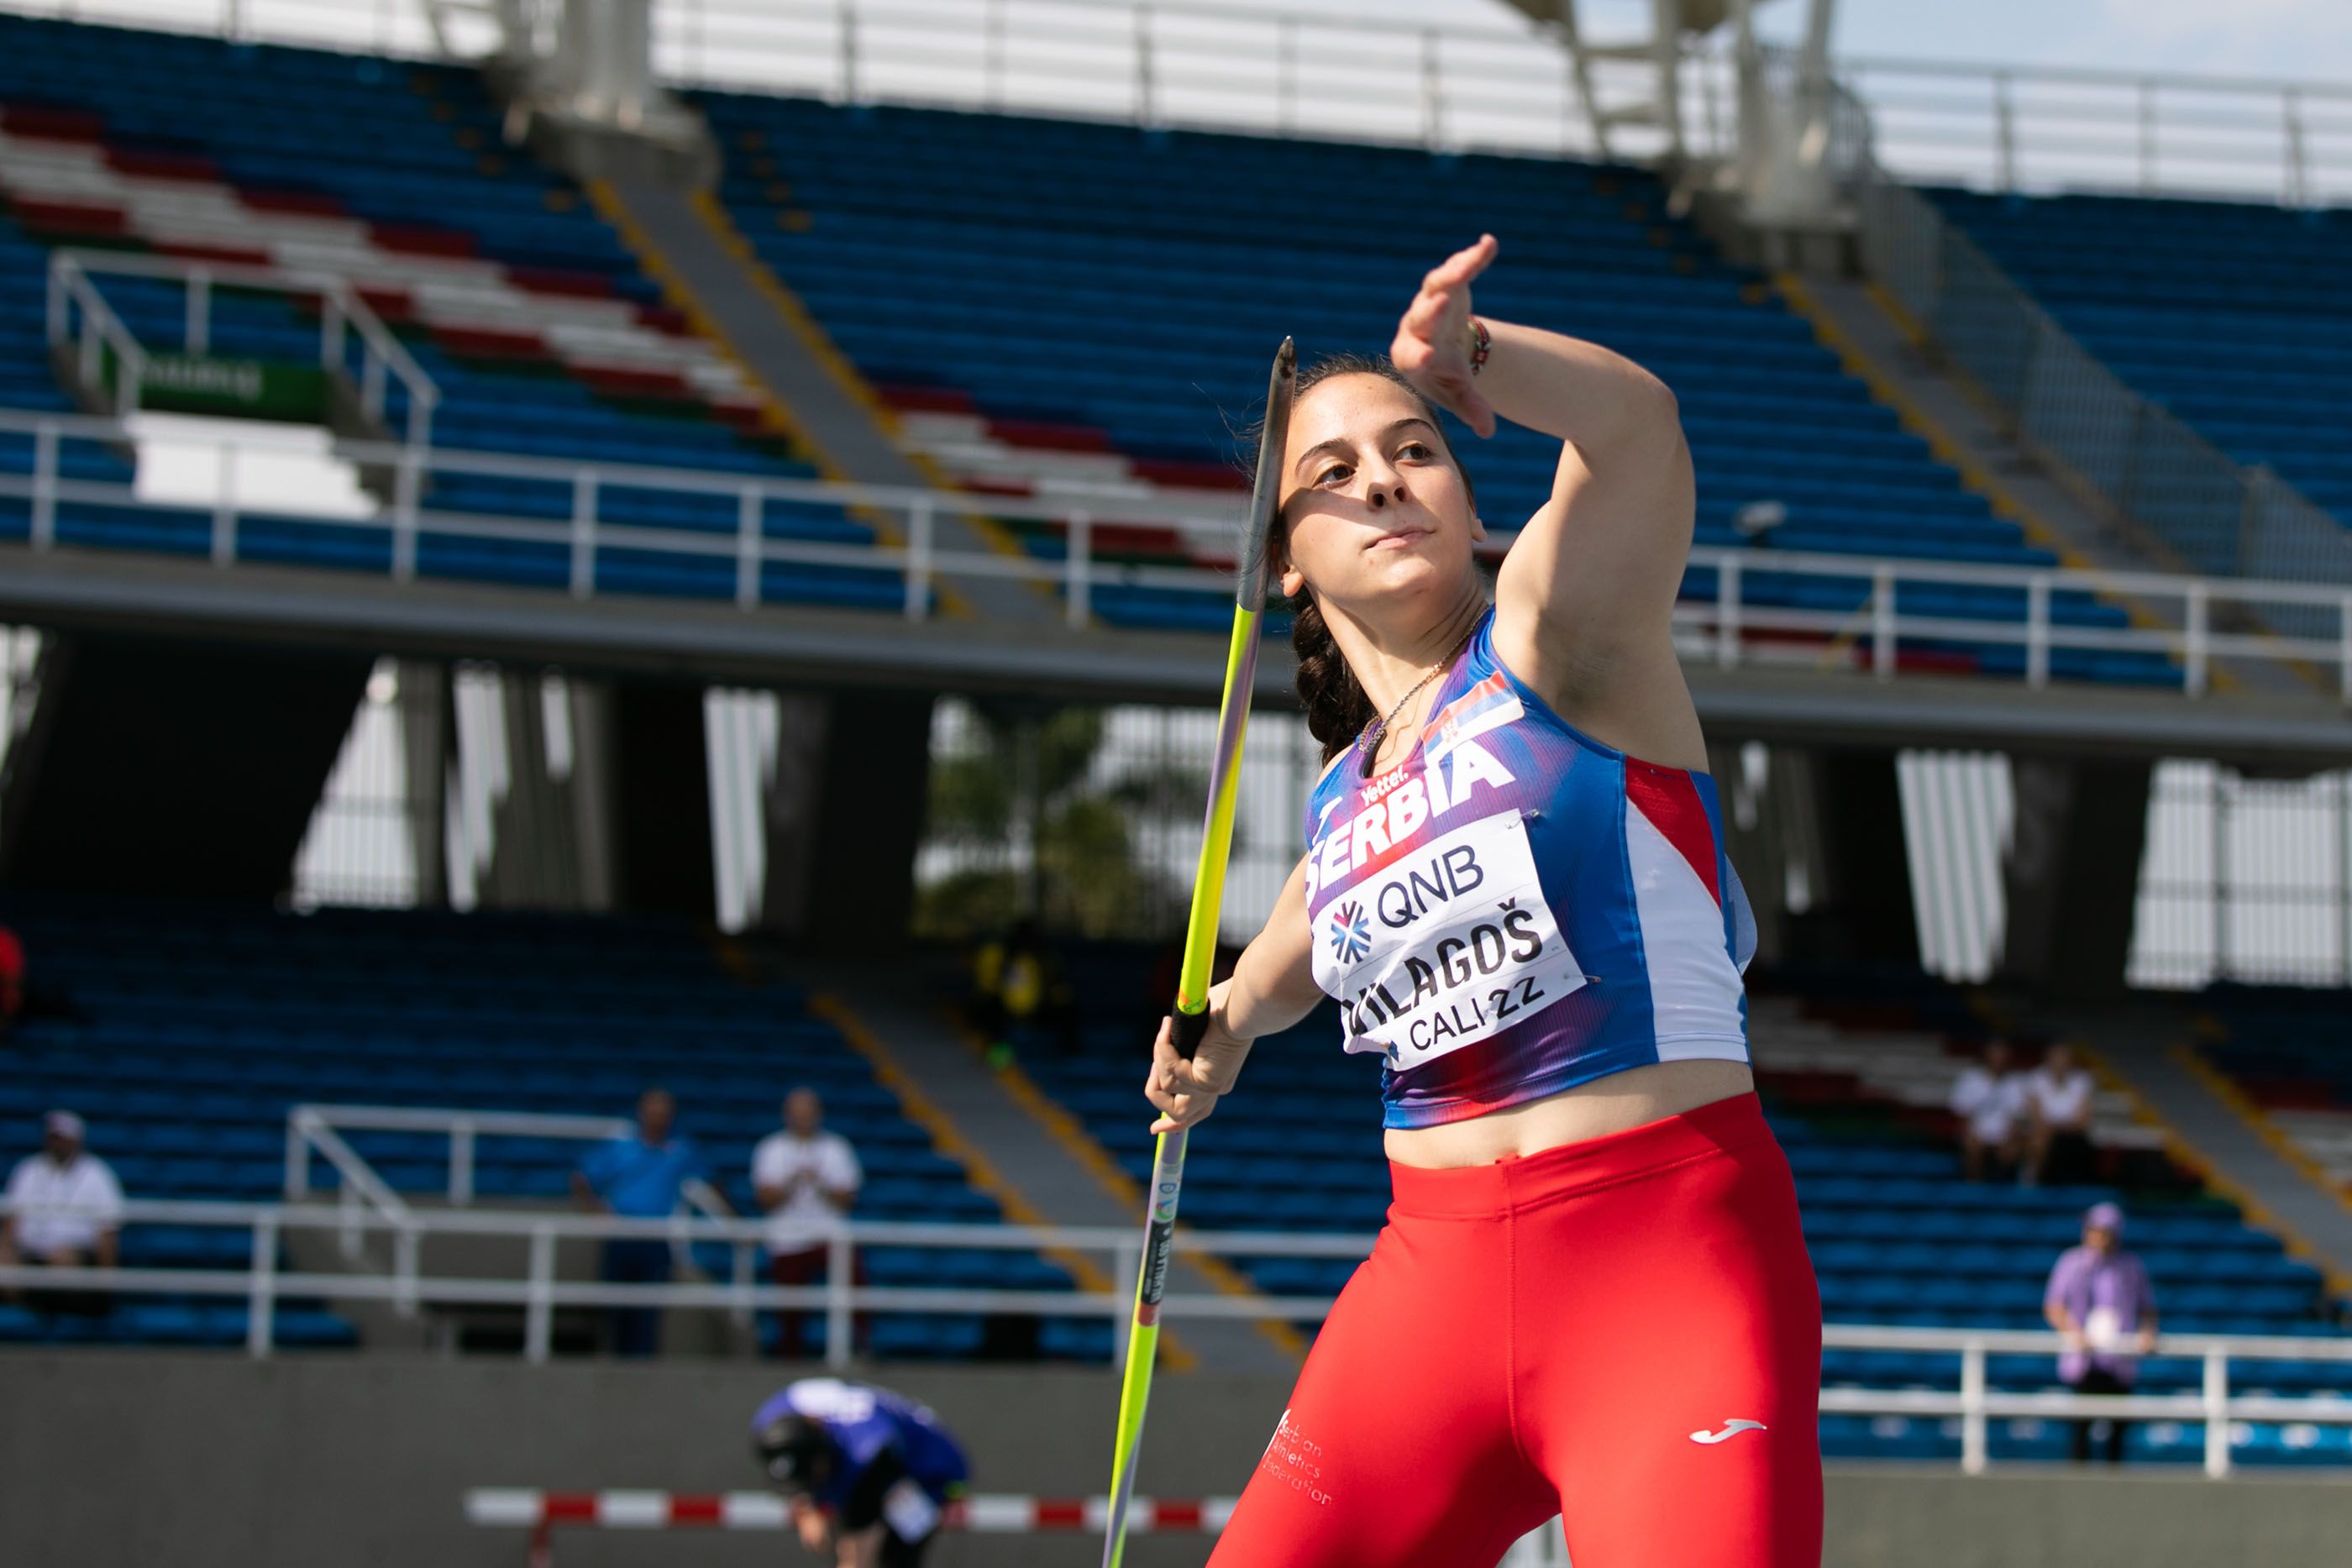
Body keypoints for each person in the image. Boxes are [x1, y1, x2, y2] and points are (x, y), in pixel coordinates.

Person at [1144, 236, 1819, 1566]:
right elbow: (1283, 960)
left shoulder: (1556, 641)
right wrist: (1215, 1030)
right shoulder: (1339, 804)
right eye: (1330, 475)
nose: (1382, 480)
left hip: (1664, 1264)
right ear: (1286, 559)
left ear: (1460, 491)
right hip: (1424, 1304)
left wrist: (1475, 361)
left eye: (1412, 450)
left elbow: (1637, 431)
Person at [752, 1377, 970, 1568]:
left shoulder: (868, 1452)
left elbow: (860, 1538)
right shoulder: (771, 1424)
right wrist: (807, 1508)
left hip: (924, 1471)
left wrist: (854, 1557)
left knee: (892, 1554)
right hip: (867, 1458)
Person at [570, 1088, 706, 1357]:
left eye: (663, 1113)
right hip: (622, 1236)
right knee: (615, 1308)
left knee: (649, 1311)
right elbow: (581, 1178)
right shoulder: (622, 1148)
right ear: (641, 1113)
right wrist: (596, 1212)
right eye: (653, 1112)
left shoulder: (680, 1152)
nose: (657, 1118)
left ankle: (643, 1367)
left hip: (656, 1239)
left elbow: (710, 1182)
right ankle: (613, 1364)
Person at [754, 1087, 865, 1359]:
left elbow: (848, 1199)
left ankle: (861, 1346)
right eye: (798, 1112)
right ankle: (789, 1355)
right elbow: (765, 1199)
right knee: (790, 1305)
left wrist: (820, 1182)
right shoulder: (771, 1148)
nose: (803, 1117)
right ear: (787, 1115)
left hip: (828, 1235)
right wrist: (793, 1181)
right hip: (788, 1238)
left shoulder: (836, 1148)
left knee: (855, 1282)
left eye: (808, 1112)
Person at [2045, 1202, 2159, 1464]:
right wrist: (2075, 1334)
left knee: (2118, 1432)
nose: (2095, 1235)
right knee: (2080, 1429)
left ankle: (2115, 1491)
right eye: (2092, 1229)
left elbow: (2148, 1309)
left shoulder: (2131, 1266)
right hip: (2084, 1359)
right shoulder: (2071, 1262)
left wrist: (2147, 1332)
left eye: (2102, 1230)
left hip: (2119, 1360)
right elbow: (2054, 1306)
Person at [1, 1110, 124, 1317]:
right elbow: (11, 1224)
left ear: (76, 1140)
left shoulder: (98, 1174)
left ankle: (60, 1315)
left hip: (78, 1256)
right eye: (54, 1138)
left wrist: (106, 1283)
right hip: (31, 1255)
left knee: (62, 1259)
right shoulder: (28, 1170)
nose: (57, 1144)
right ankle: (20, 1313)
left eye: (63, 1138)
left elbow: (107, 1233)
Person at [1950, 1039, 2027, 1183]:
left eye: (2002, 1055)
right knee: (1971, 1142)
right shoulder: (1970, 1079)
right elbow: (1963, 1115)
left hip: (2006, 1135)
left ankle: (2014, 1189)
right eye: (1995, 1054)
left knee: (2018, 1145)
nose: (1998, 1059)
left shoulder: (2017, 1082)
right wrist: (1974, 1134)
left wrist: (2011, 1139)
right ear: (1986, 1056)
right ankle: (1973, 1186)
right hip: (1977, 1134)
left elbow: (2018, 1117)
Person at [2025, 1043, 2098, 1187]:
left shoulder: (2082, 1080)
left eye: (2064, 1059)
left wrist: (2055, 1126)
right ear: (2048, 1060)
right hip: (2044, 1132)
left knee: (2046, 1137)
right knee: (2039, 1139)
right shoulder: (2035, 1078)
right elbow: (2036, 1117)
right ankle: (2033, 1181)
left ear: (2071, 1061)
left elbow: (2083, 1121)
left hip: (2071, 1134)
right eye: (2057, 1058)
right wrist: (2053, 1126)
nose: (2060, 1063)